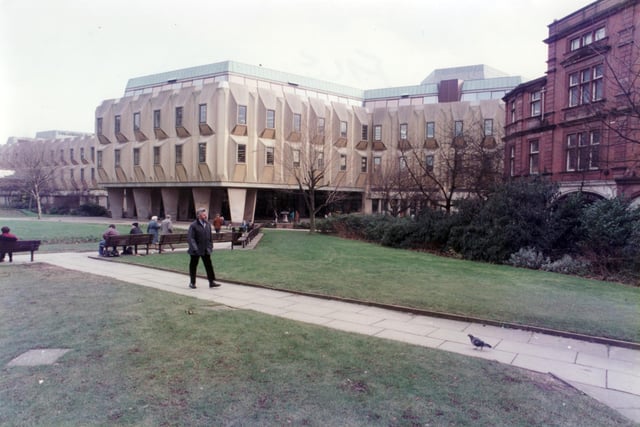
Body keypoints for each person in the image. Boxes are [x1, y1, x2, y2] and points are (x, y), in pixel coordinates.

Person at [187, 208, 220, 289]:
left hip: (206, 249)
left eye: (205, 214)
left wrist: (210, 246)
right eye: (203, 214)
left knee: (209, 265)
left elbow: (210, 237)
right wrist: (195, 249)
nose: (205, 215)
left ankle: (211, 282)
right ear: (199, 215)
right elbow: (191, 238)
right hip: (196, 251)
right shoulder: (193, 225)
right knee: (193, 266)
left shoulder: (208, 224)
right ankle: (192, 282)